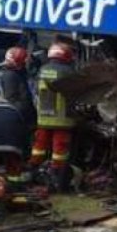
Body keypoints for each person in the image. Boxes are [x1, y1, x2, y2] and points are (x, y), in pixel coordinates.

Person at [30, 42, 76, 189]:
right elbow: (77, 92)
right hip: (63, 119)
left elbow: (35, 91)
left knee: (39, 146)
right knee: (60, 151)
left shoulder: (43, 69)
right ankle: (57, 179)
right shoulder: (69, 71)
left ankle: (34, 172)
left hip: (43, 117)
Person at [0, 47, 37, 133]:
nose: (26, 63)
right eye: (24, 62)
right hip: (22, 120)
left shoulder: (19, 74)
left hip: (26, 117)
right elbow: (12, 99)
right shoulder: (10, 76)